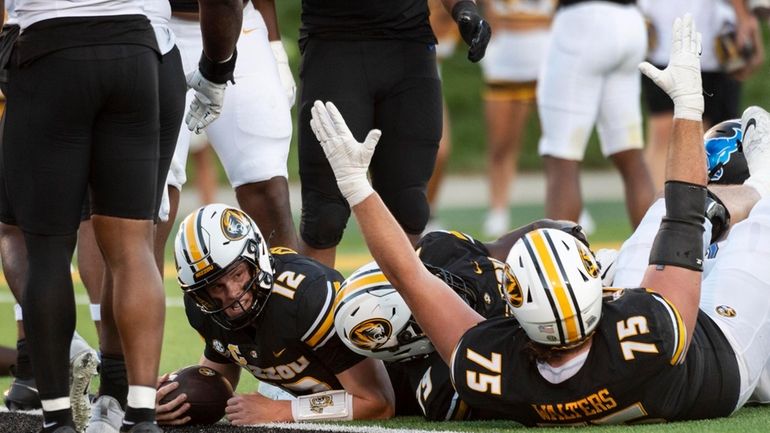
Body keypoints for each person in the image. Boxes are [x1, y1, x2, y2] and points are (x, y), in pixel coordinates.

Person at [310, 14, 770, 424]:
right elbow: (684, 210)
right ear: (598, 286)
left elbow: (408, 273)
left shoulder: (493, 368)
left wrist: (356, 186)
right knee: (756, 229)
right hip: (717, 359)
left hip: (641, 355)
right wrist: (688, 106)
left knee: (664, 217)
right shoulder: (650, 325)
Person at [0, 1, 241, 432]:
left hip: (48, 44)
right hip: (140, 48)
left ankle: (58, 419)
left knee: (48, 250)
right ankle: (140, 414)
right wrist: (219, 65)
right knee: (133, 245)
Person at [156, 203, 394, 425]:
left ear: (256, 258)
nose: (234, 294)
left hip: (410, 390)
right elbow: (218, 381)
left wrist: (281, 410)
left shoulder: (306, 296)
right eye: (216, 286)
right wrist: (172, 398)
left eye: (237, 274)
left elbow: (378, 403)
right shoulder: (204, 309)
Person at [297, 0, 491, 268]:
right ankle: (314, 306)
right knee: (324, 214)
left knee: (408, 206)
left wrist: (464, 10)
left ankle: (402, 308)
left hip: (409, 49)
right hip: (334, 45)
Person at [336, 220, 587, 421]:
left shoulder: (438, 250)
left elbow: (514, 241)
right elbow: (524, 386)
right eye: (416, 303)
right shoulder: (439, 389)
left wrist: (564, 234)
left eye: (423, 277)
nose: (433, 287)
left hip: (580, 288)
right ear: (406, 343)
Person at [158, 0, 299, 267]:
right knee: (154, 204)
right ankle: (110, 310)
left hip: (238, 24)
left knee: (268, 188)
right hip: (158, 23)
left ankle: (287, 301)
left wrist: (274, 43)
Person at [537, 0, 654, 229]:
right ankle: (651, 255)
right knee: (630, 155)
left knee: (562, 157)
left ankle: (563, 261)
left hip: (582, 21)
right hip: (630, 20)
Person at [639, 0, 764, 191]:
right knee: (716, 144)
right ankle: (701, 215)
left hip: (665, 33)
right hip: (708, 36)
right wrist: (744, 17)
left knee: (665, 139)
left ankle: (658, 216)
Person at [480, 0, 556, 237]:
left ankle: (569, 208)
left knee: (557, 144)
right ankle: (498, 210)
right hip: (503, 66)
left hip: (546, 66)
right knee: (501, 144)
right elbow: (489, 17)